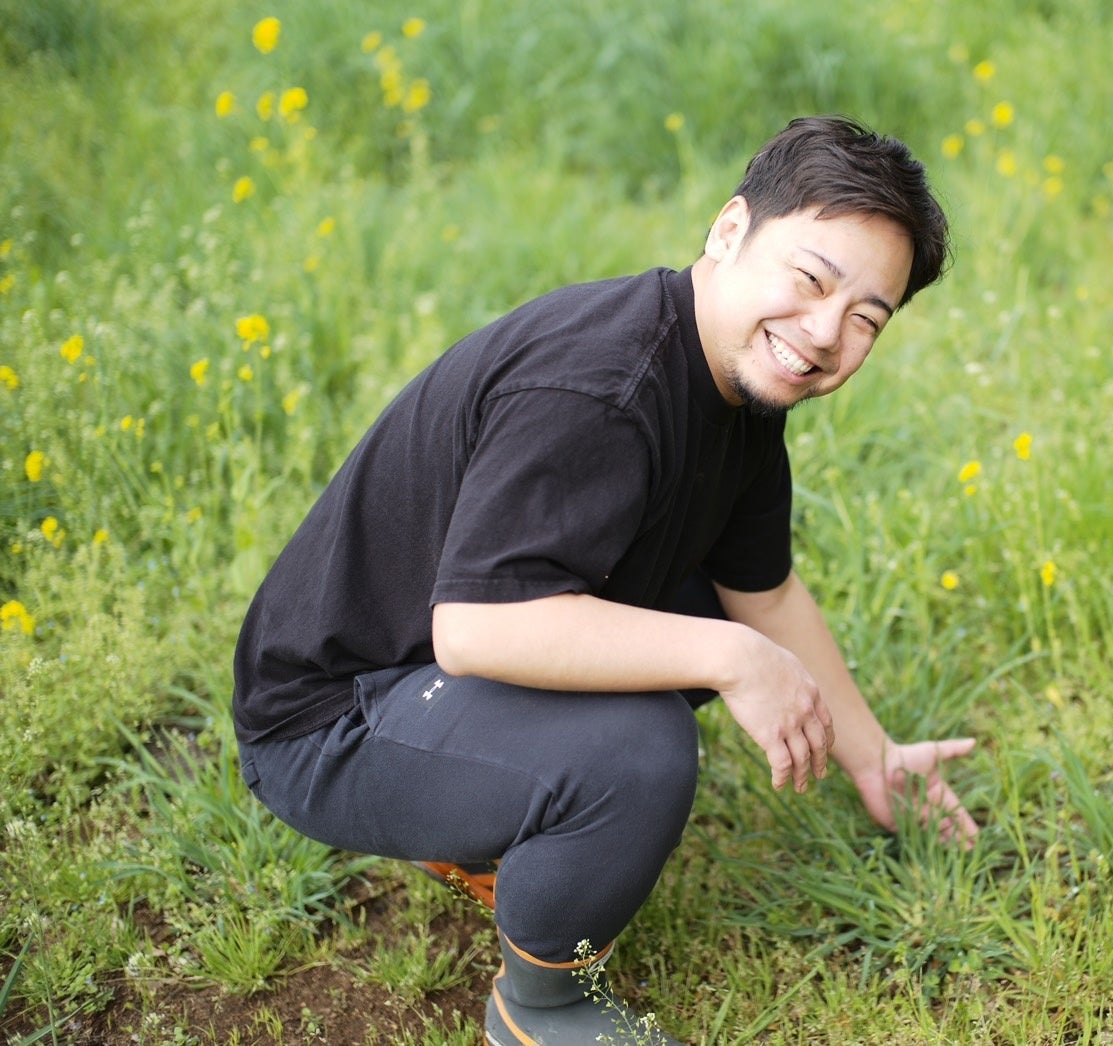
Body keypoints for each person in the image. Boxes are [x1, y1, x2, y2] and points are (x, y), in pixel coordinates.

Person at [232, 115, 980, 1046]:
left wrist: (872, 755)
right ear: (729, 231)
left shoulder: (735, 387)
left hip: (422, 672)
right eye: (810, 280)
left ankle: (482, 810)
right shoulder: (604, 387)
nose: (825, 334)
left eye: (866, 318)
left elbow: (767, 595)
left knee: (702, 618)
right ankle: (540, 1005)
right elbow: (476, 628)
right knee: (641, 744)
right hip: (325, 722)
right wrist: (732, 659)